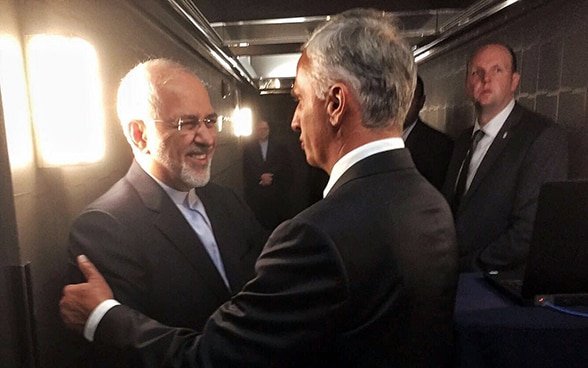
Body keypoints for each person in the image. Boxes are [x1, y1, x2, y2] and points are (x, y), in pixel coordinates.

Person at [60, 9, 459, 367]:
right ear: (139, 134)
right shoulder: (431, 202)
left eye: (299, 101)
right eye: (187, 124)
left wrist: (102, 317)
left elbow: (216, 356)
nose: (294, 121)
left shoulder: (308, 233)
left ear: (336, 103)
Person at [65, 58, 267, 366]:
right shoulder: (105, 228)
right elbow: (129, 358)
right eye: (186, 124)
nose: (208, 138)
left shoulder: (227, 201)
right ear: (139, 135)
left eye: (210, 121)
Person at [441, 43, 568, 273]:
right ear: (468, 84)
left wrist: (468, 267)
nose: (485, 79)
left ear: (514, 81)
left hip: (497, 289)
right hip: (453, 280)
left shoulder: (541, 137)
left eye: (497, 70)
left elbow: (529, 231)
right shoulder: (461, 142)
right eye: (476, 73)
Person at [403, 75, 454, 190]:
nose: (403, 106)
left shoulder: (439, 146)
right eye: (399, 98)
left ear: (421, 102)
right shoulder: (376, 140)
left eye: (410, 99)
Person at [243, 118, 293, 230]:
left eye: (265, 129)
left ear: (269, 130)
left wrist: (271, 177)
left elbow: (284, 165)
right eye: (260, 129)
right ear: (256, 130)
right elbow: (247, 168)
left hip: (276, 192)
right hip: (257, 193)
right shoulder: (248, 148)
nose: (262, 131)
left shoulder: (279, 146)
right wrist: (260, 177)